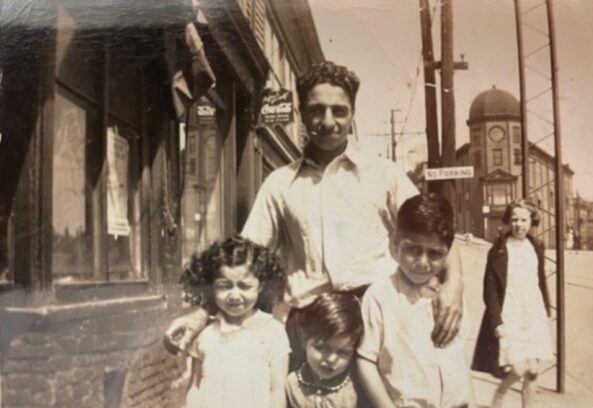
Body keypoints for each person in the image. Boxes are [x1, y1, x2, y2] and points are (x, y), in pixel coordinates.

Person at [164, 61, 464, 367]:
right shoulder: (280, 184)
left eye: (339, 110)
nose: (328, 121)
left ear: (352, 113)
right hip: (309, 327)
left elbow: (434, 231)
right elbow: (244, 257)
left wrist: (455, 284)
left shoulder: (383, 174)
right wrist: (202, 312)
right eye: (316, 110)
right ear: (302, 114)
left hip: (377, 320)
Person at [357, 193, 473, 408]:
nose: (422, 262)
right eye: (412, 249)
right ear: (394, 245)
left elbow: (460, 359)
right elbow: (366, 361)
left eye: (435, 253)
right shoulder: (380, 295)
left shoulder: (449, 299)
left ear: (447, 253)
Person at [180, 236, 289, 408]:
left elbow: (277, 392)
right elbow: (195, 386)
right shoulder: (205, 331)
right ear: (211, 286)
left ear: (261, 286)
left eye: (245, 286)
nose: (234, 295)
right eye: (224, 286)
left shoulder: (272, 331)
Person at [471, 200, 553, 408]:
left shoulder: (536, 246)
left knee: (533, 369)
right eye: (515, 219)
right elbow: (489, 290)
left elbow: (540, 280)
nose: (519, 225)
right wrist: (496, 321)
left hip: (533, 312)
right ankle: (499, 396)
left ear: (531, 221)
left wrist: (546, 308)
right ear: (508, 221)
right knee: (517, 368)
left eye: (524, 220)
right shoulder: (498, 250)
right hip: (510, 312)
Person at [286, 292, 371, 408]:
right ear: (304, 339)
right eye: (321, 347)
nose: (331, 359)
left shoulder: (358, 387)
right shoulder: (292, 384)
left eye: (343, 352)